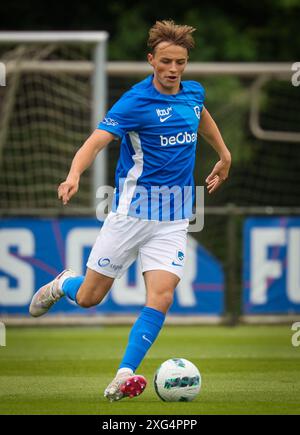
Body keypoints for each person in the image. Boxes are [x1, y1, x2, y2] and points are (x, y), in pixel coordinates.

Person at [29, 20, 231, 401]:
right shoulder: (135, 101)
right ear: (151, 59)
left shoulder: (193, 93)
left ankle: (124, 374)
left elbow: (201, 114)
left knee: (163, 297)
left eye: (181, 62)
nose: (174, 69)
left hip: (173, 218)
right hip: (130, 214)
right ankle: (61, 284)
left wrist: (224, 153)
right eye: (167, 61)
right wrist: (73, 175)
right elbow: (94, 143)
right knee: (90, 297)